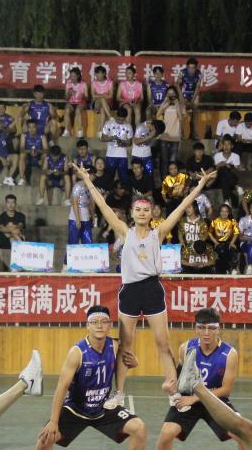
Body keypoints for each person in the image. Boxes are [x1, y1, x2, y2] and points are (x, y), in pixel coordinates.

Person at [72, 163, 215, 407]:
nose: (141, 213)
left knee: (163, 343)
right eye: (137, 210)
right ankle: (118, 393)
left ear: (151, 214)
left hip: (152, 290)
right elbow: (103, 206)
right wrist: (87, 180)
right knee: (125, 346)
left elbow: (181, 207)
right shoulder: (123, 232)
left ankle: (173, 392)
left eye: (146, 210)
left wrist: (200, 185)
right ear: (132, 213)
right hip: (129, 291)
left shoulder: (158, 233)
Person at [23, 306, 148, 450]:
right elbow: (61, 388)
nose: (99, 325)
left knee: (139, 428)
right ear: (87, 325)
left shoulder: (114, 346)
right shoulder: (77, 353)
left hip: (104, 407)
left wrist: (134, 363)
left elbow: (125, 363)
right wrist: (54, 421)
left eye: (104, 322)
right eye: (94, 322)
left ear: (109, 325)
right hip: (76, 408)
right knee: (45, 438)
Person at [145, 308, 243, 450]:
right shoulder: (186, 348)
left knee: (242, 433)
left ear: (218, 329)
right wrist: (169, 385)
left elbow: (226, 389)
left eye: (211, 328)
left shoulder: (229, 354)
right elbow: (179, 375)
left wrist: (196, 398)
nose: (206, 333)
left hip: (214, 399)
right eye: (202, 328)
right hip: (187, 398)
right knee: (167, 432)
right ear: (196, 328)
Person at [177, 201, 215, 273]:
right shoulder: (183, 220)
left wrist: (201, 237)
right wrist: (181, 242)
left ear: (195, 208)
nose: (187, 209)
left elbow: (204, 238)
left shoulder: (202, 221)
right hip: (187, 248)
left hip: (199, 248)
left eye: (189, 207)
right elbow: (180, 233)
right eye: (186, 208)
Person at [100, 106, 133, 184]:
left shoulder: (128, 126)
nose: (121, 121)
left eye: (122, 120)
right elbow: (102, 138)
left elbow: (129, 143)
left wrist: (122, 143)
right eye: (119, 119)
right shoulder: (108, 124)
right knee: (109, 177)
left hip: (122, 156)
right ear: (116, 116)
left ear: (125, 118)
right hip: (110, 155)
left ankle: (124, 190)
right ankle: (109, 190)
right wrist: (111, 138)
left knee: (124, 177)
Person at [0, 194, 25, 269]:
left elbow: (20, 227)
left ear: (16, 204)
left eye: (13, 202)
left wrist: (9, 229)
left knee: (13, 236)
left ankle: (15, 266)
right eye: (9, 202)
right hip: (4, 240)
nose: (11, 205)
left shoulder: (21, 215)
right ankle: (16, 265)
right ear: (5, 204)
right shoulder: (1, 217)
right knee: (12, 235)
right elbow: (1, 229)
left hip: (16, 237)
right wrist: (13, 229)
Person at [212, 135, 243, 207]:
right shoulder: (217, 156)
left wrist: (231, 167)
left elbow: (237, 171)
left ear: (232, 146)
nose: (226, 147)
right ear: (222, 146)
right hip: (218, 180)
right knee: (223, 169)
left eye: (228, 145)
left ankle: (226, 200)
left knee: (225, 173)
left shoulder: (236, 156)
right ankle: (237, 187)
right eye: (224, 144)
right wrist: (220, 165)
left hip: (231, 180)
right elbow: (214, 171)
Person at [157, 86, 185, 166]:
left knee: (173, 161)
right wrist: (165, 103)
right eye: (169, 94)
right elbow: (158, 114)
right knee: (164, 160)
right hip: (164, 135)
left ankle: (171, 175)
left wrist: (177, 106)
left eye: (173, 94)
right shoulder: (166, 104)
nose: (171, 96)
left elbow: (181, 119)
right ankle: (164, 174)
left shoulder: (181, 105)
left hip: (175, 136)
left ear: (176, 94)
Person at [209, 203, 240, 274]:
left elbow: (236, 233)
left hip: (229, 242)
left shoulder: (232, 222)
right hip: (218, 242)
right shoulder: (215, 221)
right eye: (222, 211)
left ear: (229, 213)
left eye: (226, 211)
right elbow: (210, 233)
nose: (224, 213)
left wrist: (232, 243)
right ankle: (222, 271)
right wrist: (216, 243)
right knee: (219, 251)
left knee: (232, 250)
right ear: (219, 212)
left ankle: (233, 269)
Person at [176, 57, 203, 139]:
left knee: (195, 109)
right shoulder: (182, 73)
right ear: (187, 67)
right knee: (182, 112)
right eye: (190, 68)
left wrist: (192, 100)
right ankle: (181, 133)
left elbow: (197, 88)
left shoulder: (199, 74)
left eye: (193, 68)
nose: (192, 70)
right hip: (184, 93)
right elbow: (177, 85)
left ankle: (193, 132)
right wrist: (181, 97)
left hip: (193, 94)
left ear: (196, 67)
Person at [17, 120, 47, 188]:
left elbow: (46, 150)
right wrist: (29, 151)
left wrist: (38, 151)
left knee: (45, 156)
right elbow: (21, 149)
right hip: (28, 159)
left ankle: (44, 180)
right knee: (22, 154)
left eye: (33, 127)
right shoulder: (24, 135)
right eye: (29, 127)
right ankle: (22, 178)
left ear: (37, 127)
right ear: (27, 128)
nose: (32, 129)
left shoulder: (42, 135)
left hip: (39, 159)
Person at [63, 67, 89, 138]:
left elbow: (87, 98)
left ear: (78, 76)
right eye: (71, 76)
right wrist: (69, 93)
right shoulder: (68, 83)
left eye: (74, 76)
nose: (72, 78)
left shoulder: (83, 84)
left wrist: (83, 96)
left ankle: (80, 131)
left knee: (78, 110)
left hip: (81, 103)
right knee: (67, 110)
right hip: (71, 103)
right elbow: (66, 98)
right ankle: (66, 131)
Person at [67, 180, 94, 246]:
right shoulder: (77, 186)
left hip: (86, 218)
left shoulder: (91, 187)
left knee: (88, 243)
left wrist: (93, 216)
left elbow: (91, 203)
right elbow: (75, 203)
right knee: (73, 243)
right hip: (74, 219)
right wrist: (77, 219)